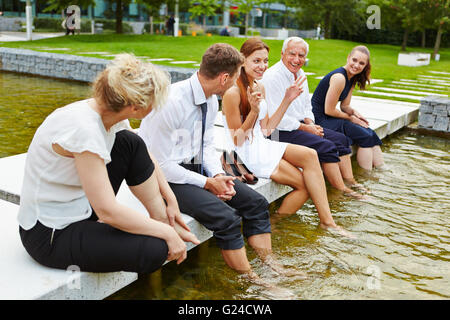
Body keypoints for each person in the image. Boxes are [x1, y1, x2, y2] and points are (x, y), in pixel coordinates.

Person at [18, 54, 200, 274]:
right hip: (51, 233)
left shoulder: (108, 112)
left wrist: (170, 201)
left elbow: (144, 154)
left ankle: (160, 219)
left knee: (130, 143)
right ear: (135, 107)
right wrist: (167, 234)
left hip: (81, 205)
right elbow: (107, 212)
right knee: (154, 249)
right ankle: (161, 231)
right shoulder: (84, 129)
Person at [139, 43, 298, 284]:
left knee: (256, 203)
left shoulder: (211, 99)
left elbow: (206, 145)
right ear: (224, 78)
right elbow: (160, 164)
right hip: (162, 177)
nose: (237, 83)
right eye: (235, 77)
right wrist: (206, 183)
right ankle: (255, 281)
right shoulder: (171, 102)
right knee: (227, 219)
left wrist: (216, 175)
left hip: (196, 166)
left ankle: (271, 265)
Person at [221, 38, 350, 236]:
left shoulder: (259, 87)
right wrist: (254, 112)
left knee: (310, 158)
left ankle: (285, 223)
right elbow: (237, 140)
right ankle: (276, 225)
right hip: (243, 151)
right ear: (242, 60)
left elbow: (266, 129)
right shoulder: (232, 92)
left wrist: (287, 100)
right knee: (305, 185)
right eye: (256, 61)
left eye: (265, 61)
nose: (263, 66)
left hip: (261, 142)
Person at [262, 37, 366, 196]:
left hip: (301, 125)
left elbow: (306, 105)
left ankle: (350, 180)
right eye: (292, 54)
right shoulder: (272, 77)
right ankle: (341, 189)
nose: (297, 60)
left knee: (341, 140)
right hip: (276, 132)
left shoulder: (300, 73)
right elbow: (277, 119)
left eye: (301, 56)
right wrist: (305, 128)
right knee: (327, 146)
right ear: (282, 53)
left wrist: (310, 122)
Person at [311, 45, 384, 171]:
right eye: (354, 60)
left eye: (361, 63)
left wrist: (356, 114)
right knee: (364, 137)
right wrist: (351, 119)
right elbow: (328, 110)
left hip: (331, 117)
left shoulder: (352, 78)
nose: (356, 65)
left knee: (369, 132)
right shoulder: (339, 77)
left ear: (365, 66)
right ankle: (367, 175)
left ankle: (381, 170)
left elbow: (344, 106)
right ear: (348, 58)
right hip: (320, 119)